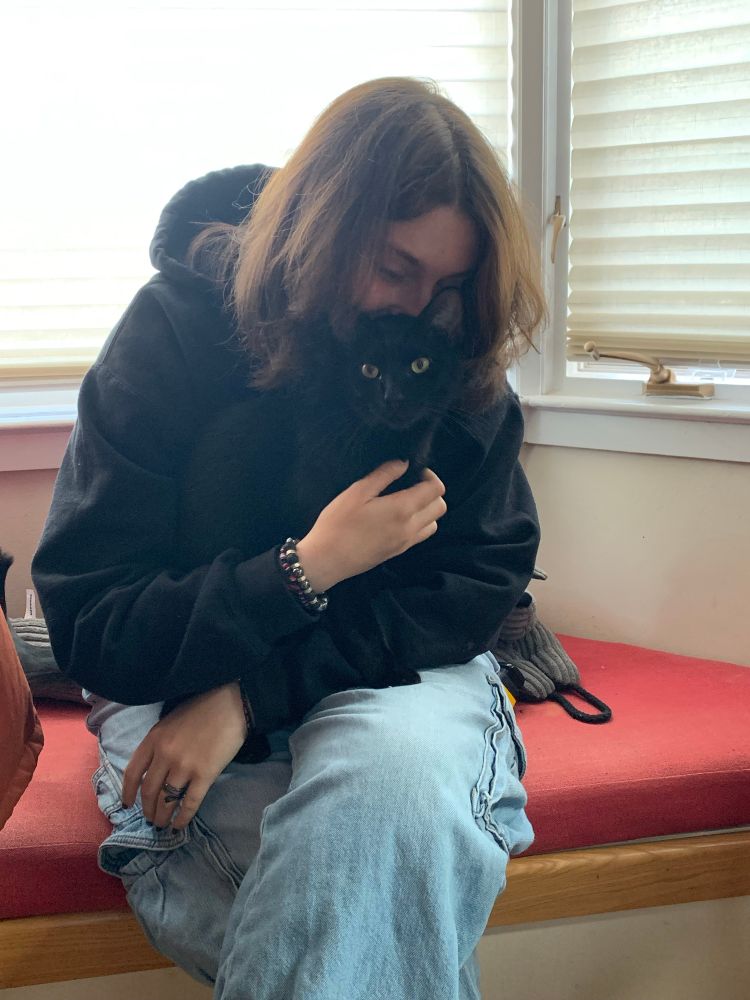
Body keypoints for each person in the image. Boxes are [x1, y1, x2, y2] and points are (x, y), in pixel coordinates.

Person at [31, 77, 546, 999]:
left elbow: (474, 584)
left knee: (381, 803)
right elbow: (97, 626)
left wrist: (250, 693)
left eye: (455, 286)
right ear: (325, 231)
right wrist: (304, 571)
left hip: (391, 675)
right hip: (168, 677)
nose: (423, 312)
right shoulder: (174, 331)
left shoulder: (452, 362)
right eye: (395, 269)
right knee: (376, 891)